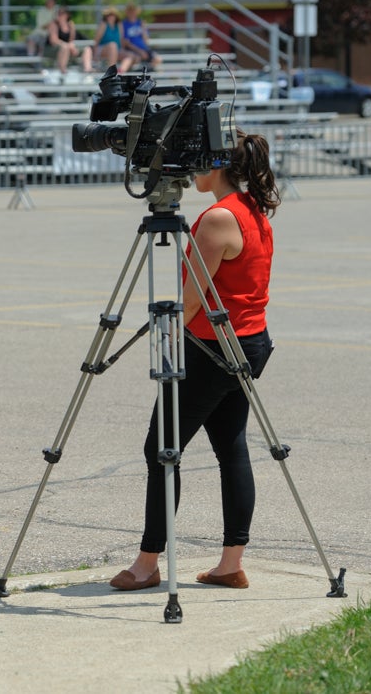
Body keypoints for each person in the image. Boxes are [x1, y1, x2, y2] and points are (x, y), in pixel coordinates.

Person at [109, 131, 280, 592]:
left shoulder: (217, 218)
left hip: (213, 349)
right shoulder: (252, 211)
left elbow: (192, 297)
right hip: (248, 342)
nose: (191, 170)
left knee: (160, 450)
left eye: (199, 161)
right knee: (232, 449)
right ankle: (230, 564)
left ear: (219, 165)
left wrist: (168, 342)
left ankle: (147, 564)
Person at [46, 7, 92, 75]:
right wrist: (67, 45)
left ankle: (87, 69)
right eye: (59, 13)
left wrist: (72, 46)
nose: (60, 15)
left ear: (67, 15)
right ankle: (63, 71)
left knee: (87, 49)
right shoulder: (53, 24)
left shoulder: (70, 24)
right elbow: (53, 40)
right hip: (52, 48)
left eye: (62, 13)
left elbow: (71, 40)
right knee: (65, 47)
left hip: (66, 48)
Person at [120, 4, 162, 72]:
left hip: (143, 48)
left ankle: (147, 72)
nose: (132, 13)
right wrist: (139, 51)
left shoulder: (140, 23)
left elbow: (146, 40)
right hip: (132, 49)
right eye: (130, 11)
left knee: (157, 59)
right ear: (127, 12)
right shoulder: (124, 24)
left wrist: (143, 28)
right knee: (135, 59)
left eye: (133, 11)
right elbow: (126, 42)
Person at [90, 7, 127, 73]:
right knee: (113, 45)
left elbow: (121, 40)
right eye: (108, 15)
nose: (110, 17)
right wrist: (95, 54)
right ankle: (111, 71)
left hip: (117, 50)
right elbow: (97, 40)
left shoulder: (119, 25)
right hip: (103, 49)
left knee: (132, 56)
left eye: (112, 15)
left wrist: (123, 49)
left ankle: (121, 70)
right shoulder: (104, 24)